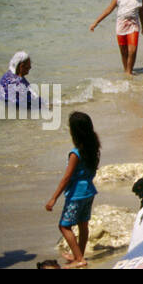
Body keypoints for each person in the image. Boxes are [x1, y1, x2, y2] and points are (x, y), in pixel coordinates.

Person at [45, 111, 99, 268]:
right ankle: (78, 254)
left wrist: (53, 198)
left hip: (76, 194)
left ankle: (79, 259)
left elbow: (66, 178)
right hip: (89, 191)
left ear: (74, 132)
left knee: (64, 226)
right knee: (83, 225)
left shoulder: (75, 154)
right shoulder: (93, 149)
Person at [91, 0, 143, 75]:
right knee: (124, 52)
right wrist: (96, 22)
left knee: (132, 51)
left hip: (133, 26)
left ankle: (129, 72)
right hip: (121, 26)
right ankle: (126, 70)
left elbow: (142, 14)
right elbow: (108, 10)